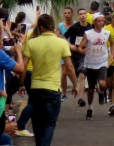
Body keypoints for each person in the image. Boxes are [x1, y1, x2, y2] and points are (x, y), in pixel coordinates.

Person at [22, 14, 78, 146]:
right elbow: (69, 67)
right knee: (49, 124)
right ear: (53, 26)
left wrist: (20, 83)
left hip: (35, 88)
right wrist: (75, 84)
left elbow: (23, 66)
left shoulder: (32, 43)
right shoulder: (62, 43)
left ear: (41, 27)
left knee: (37, 124)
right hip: (52, 89)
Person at [78, 13, 114, 120]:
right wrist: (82, 50)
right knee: (90, 89)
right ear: (94, 22)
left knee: (103, 83)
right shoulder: (88, 33)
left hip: (102, 61)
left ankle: (101, 91)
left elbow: (112, 43)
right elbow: (80, 47)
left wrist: (111, 55)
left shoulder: (106, 33)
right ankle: (90, 108)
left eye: (102, 20)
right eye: (99, 21)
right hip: (90, 62)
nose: (101, 22)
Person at [63, 8, 92, 107]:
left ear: (86, 15)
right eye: (81, 14)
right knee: (72, 74)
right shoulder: (74, 27)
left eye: (84, 13)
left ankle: (80, 99)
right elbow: (64, 38)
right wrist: (70, 46)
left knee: (82, 75)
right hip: (73, 54)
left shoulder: (90, 28)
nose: (83, 15)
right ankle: (75, 86)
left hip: (84, 54)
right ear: (78, 16)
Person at [57, 7, 75, 102]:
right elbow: (57, 36)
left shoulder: (76, 25)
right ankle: (64, 93)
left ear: (72, 14)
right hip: (64, 51)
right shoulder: (60, 25)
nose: (67, 14)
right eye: (65, 13)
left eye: (69, 13)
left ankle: (75, 86)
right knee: (64, 72)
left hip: (75, 51)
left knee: (72, 71)